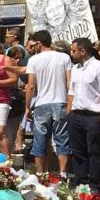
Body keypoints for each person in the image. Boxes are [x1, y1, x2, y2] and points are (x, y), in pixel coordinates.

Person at [64, 38, 100, 188]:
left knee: (95, 151)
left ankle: (94, 185)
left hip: (93, 115)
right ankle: (81, 183)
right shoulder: (76, 69)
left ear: (82, 51)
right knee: (78, 151)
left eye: (73, 51)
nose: (71, 54)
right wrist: (69, 111)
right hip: (76, 114)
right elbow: (71, 91)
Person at [24, 31, 71, 175]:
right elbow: (70, 82)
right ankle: (63, 173)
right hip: (61, 101)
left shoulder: (34, 60)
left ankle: (39, 173)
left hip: (42, 103)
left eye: (34, 45)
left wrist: (27, 107)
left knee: (40, 140)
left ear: (39, 43)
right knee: (62, 139)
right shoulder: (64, 57)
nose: (33, 48)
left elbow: (31, 86)